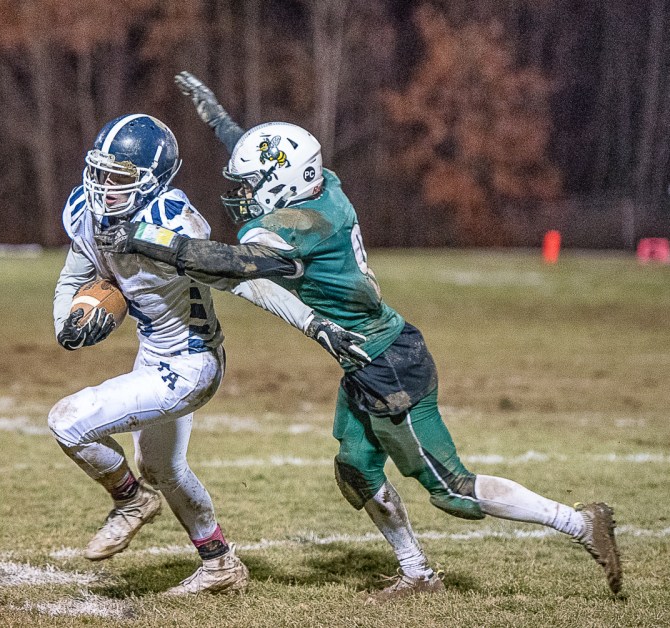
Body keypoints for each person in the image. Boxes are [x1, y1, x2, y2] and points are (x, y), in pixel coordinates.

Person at [96, 75, 623, 601]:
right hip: (366, 358)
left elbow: (232, 264)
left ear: (282, 184)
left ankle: (580, 522)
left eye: (251, 185)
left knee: (452, 490)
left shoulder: (302, 226)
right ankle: (417, 574)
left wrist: (147, 244)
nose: (244, 196)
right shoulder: (320, 184)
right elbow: (269, 160)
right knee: (355, 468)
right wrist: (220, 120)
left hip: (388, 364)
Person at [48, 112, 369, 596]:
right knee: (163, 467)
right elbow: (75, 274)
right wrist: (66, 325)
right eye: (98, 171)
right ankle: (220, 564)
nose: (103, 186)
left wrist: (313, 322)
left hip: (192, 363)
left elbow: (247, 283)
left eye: (119, 177)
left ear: (151, 182)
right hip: (152, 353)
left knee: (68, 421)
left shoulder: (173, 223)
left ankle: (131, 501)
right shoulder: (87, 211)